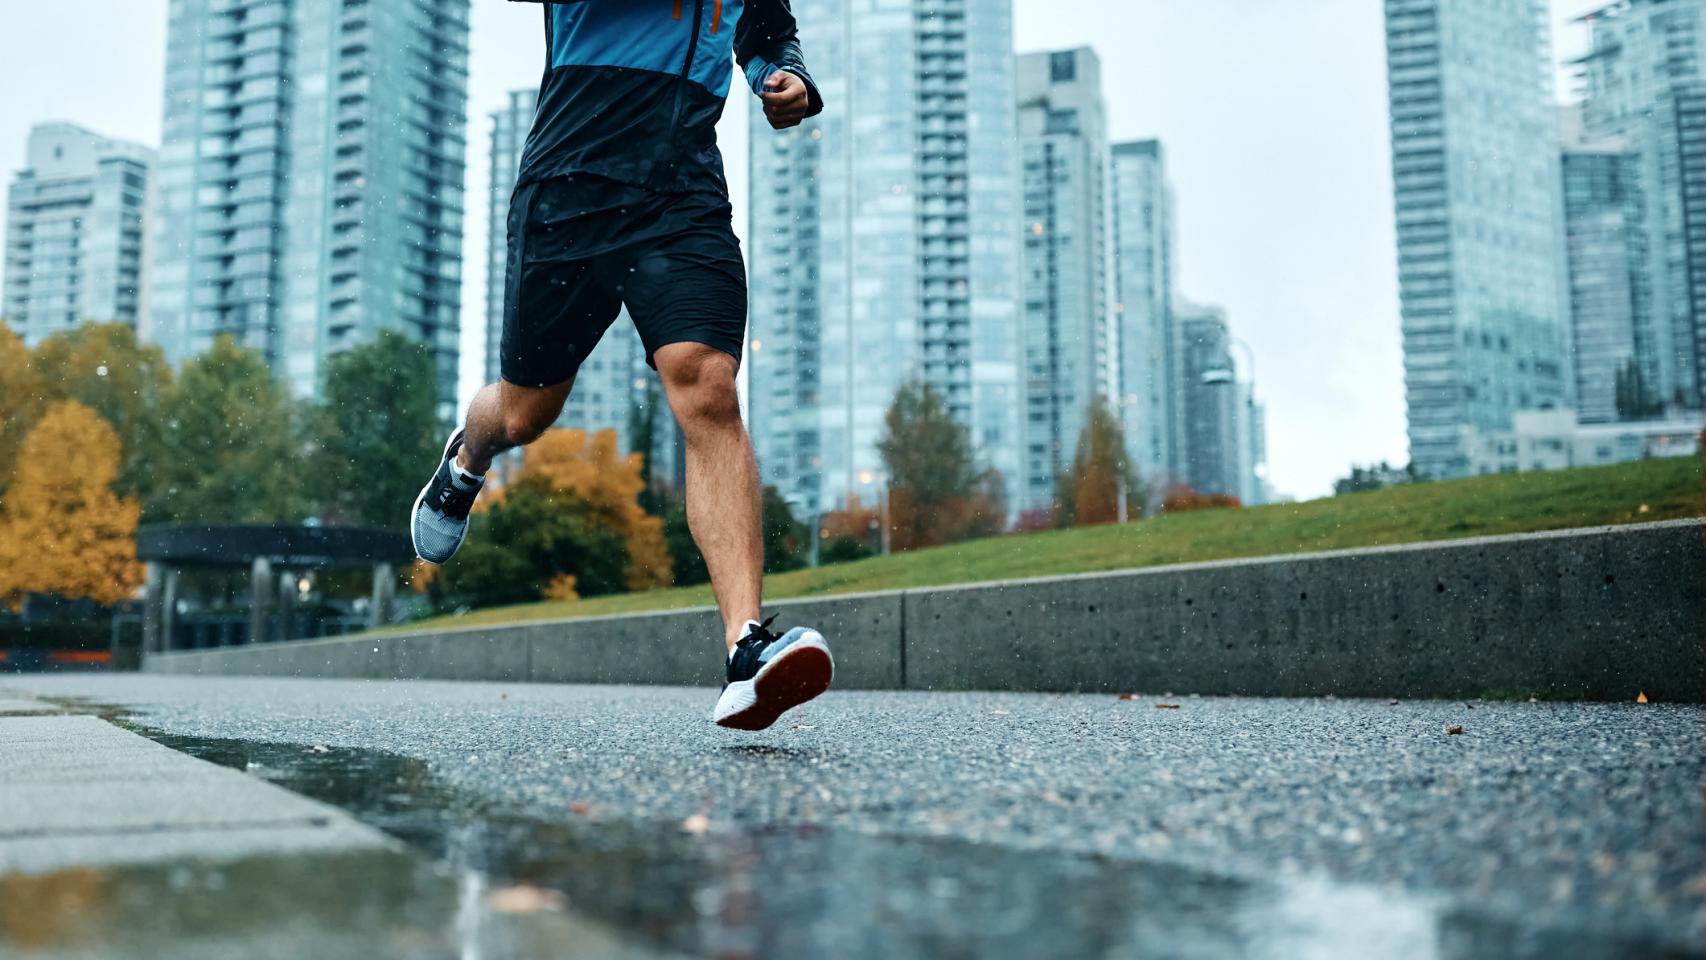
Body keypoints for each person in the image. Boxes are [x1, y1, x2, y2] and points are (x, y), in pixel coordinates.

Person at [411, 0, 831, 731]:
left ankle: (746, 648)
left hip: (680, 195)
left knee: (709, 384)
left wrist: (784, 76)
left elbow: (764, 32)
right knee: (525, 412)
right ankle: (467, 459)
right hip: (570, 188)